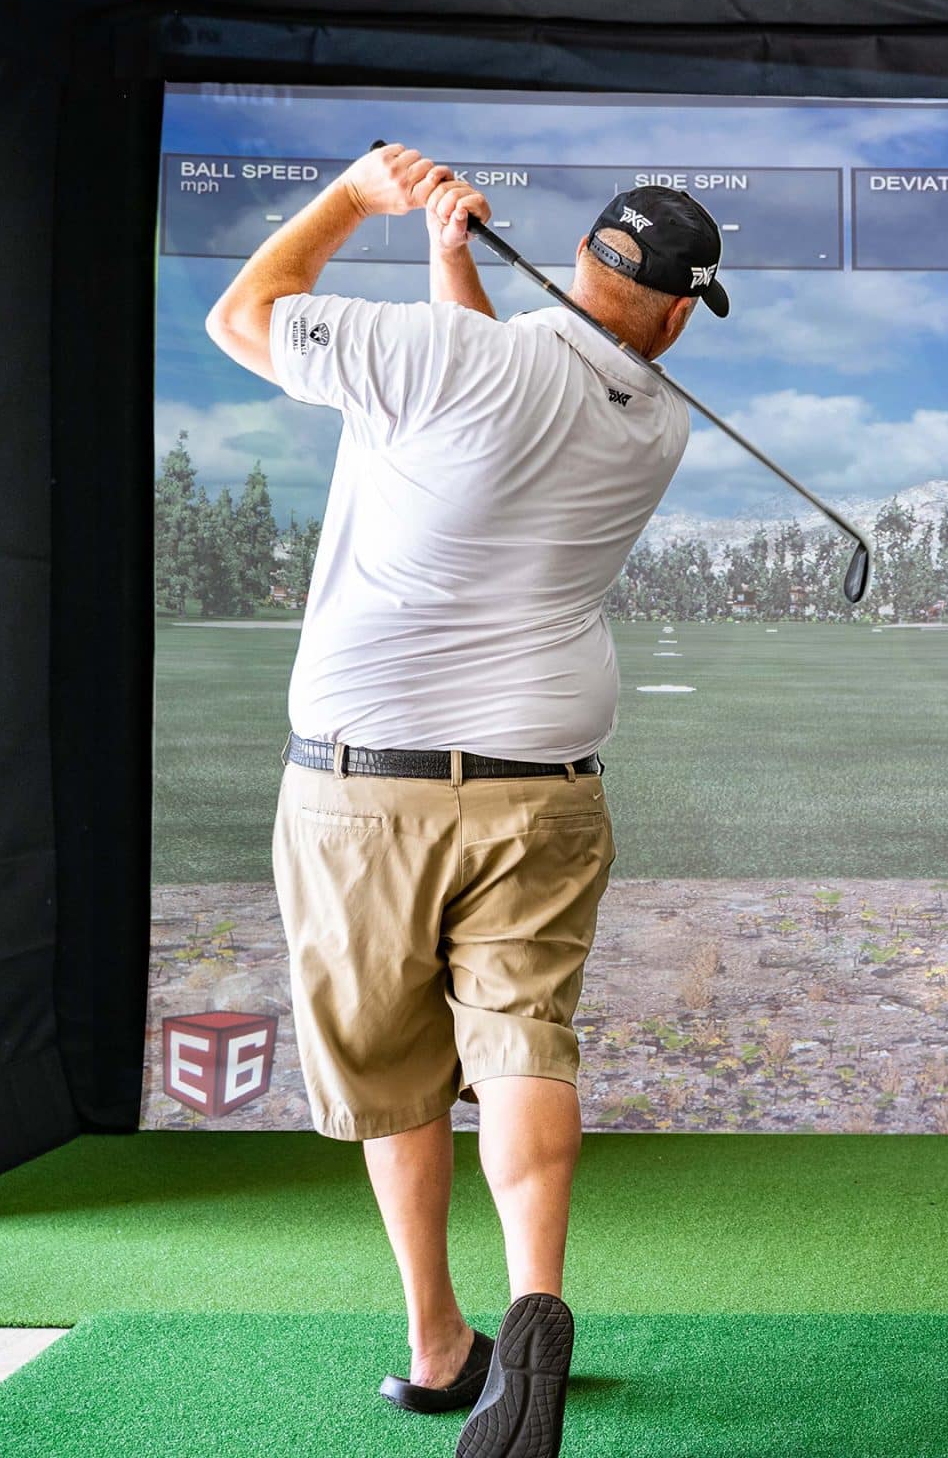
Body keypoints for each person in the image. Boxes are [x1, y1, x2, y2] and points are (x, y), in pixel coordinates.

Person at [204, 142, 729, 1458]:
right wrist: (447, 259)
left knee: (396, 1073)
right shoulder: (652, 421)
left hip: (363, 794)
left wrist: (353, 199)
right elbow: (495, 401)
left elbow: (241, 314)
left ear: (580, 265)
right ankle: (536, 1303)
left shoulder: (452, 369)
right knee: (522, 1045)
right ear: (673, 312)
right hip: (543, 793)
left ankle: (441, 1346)